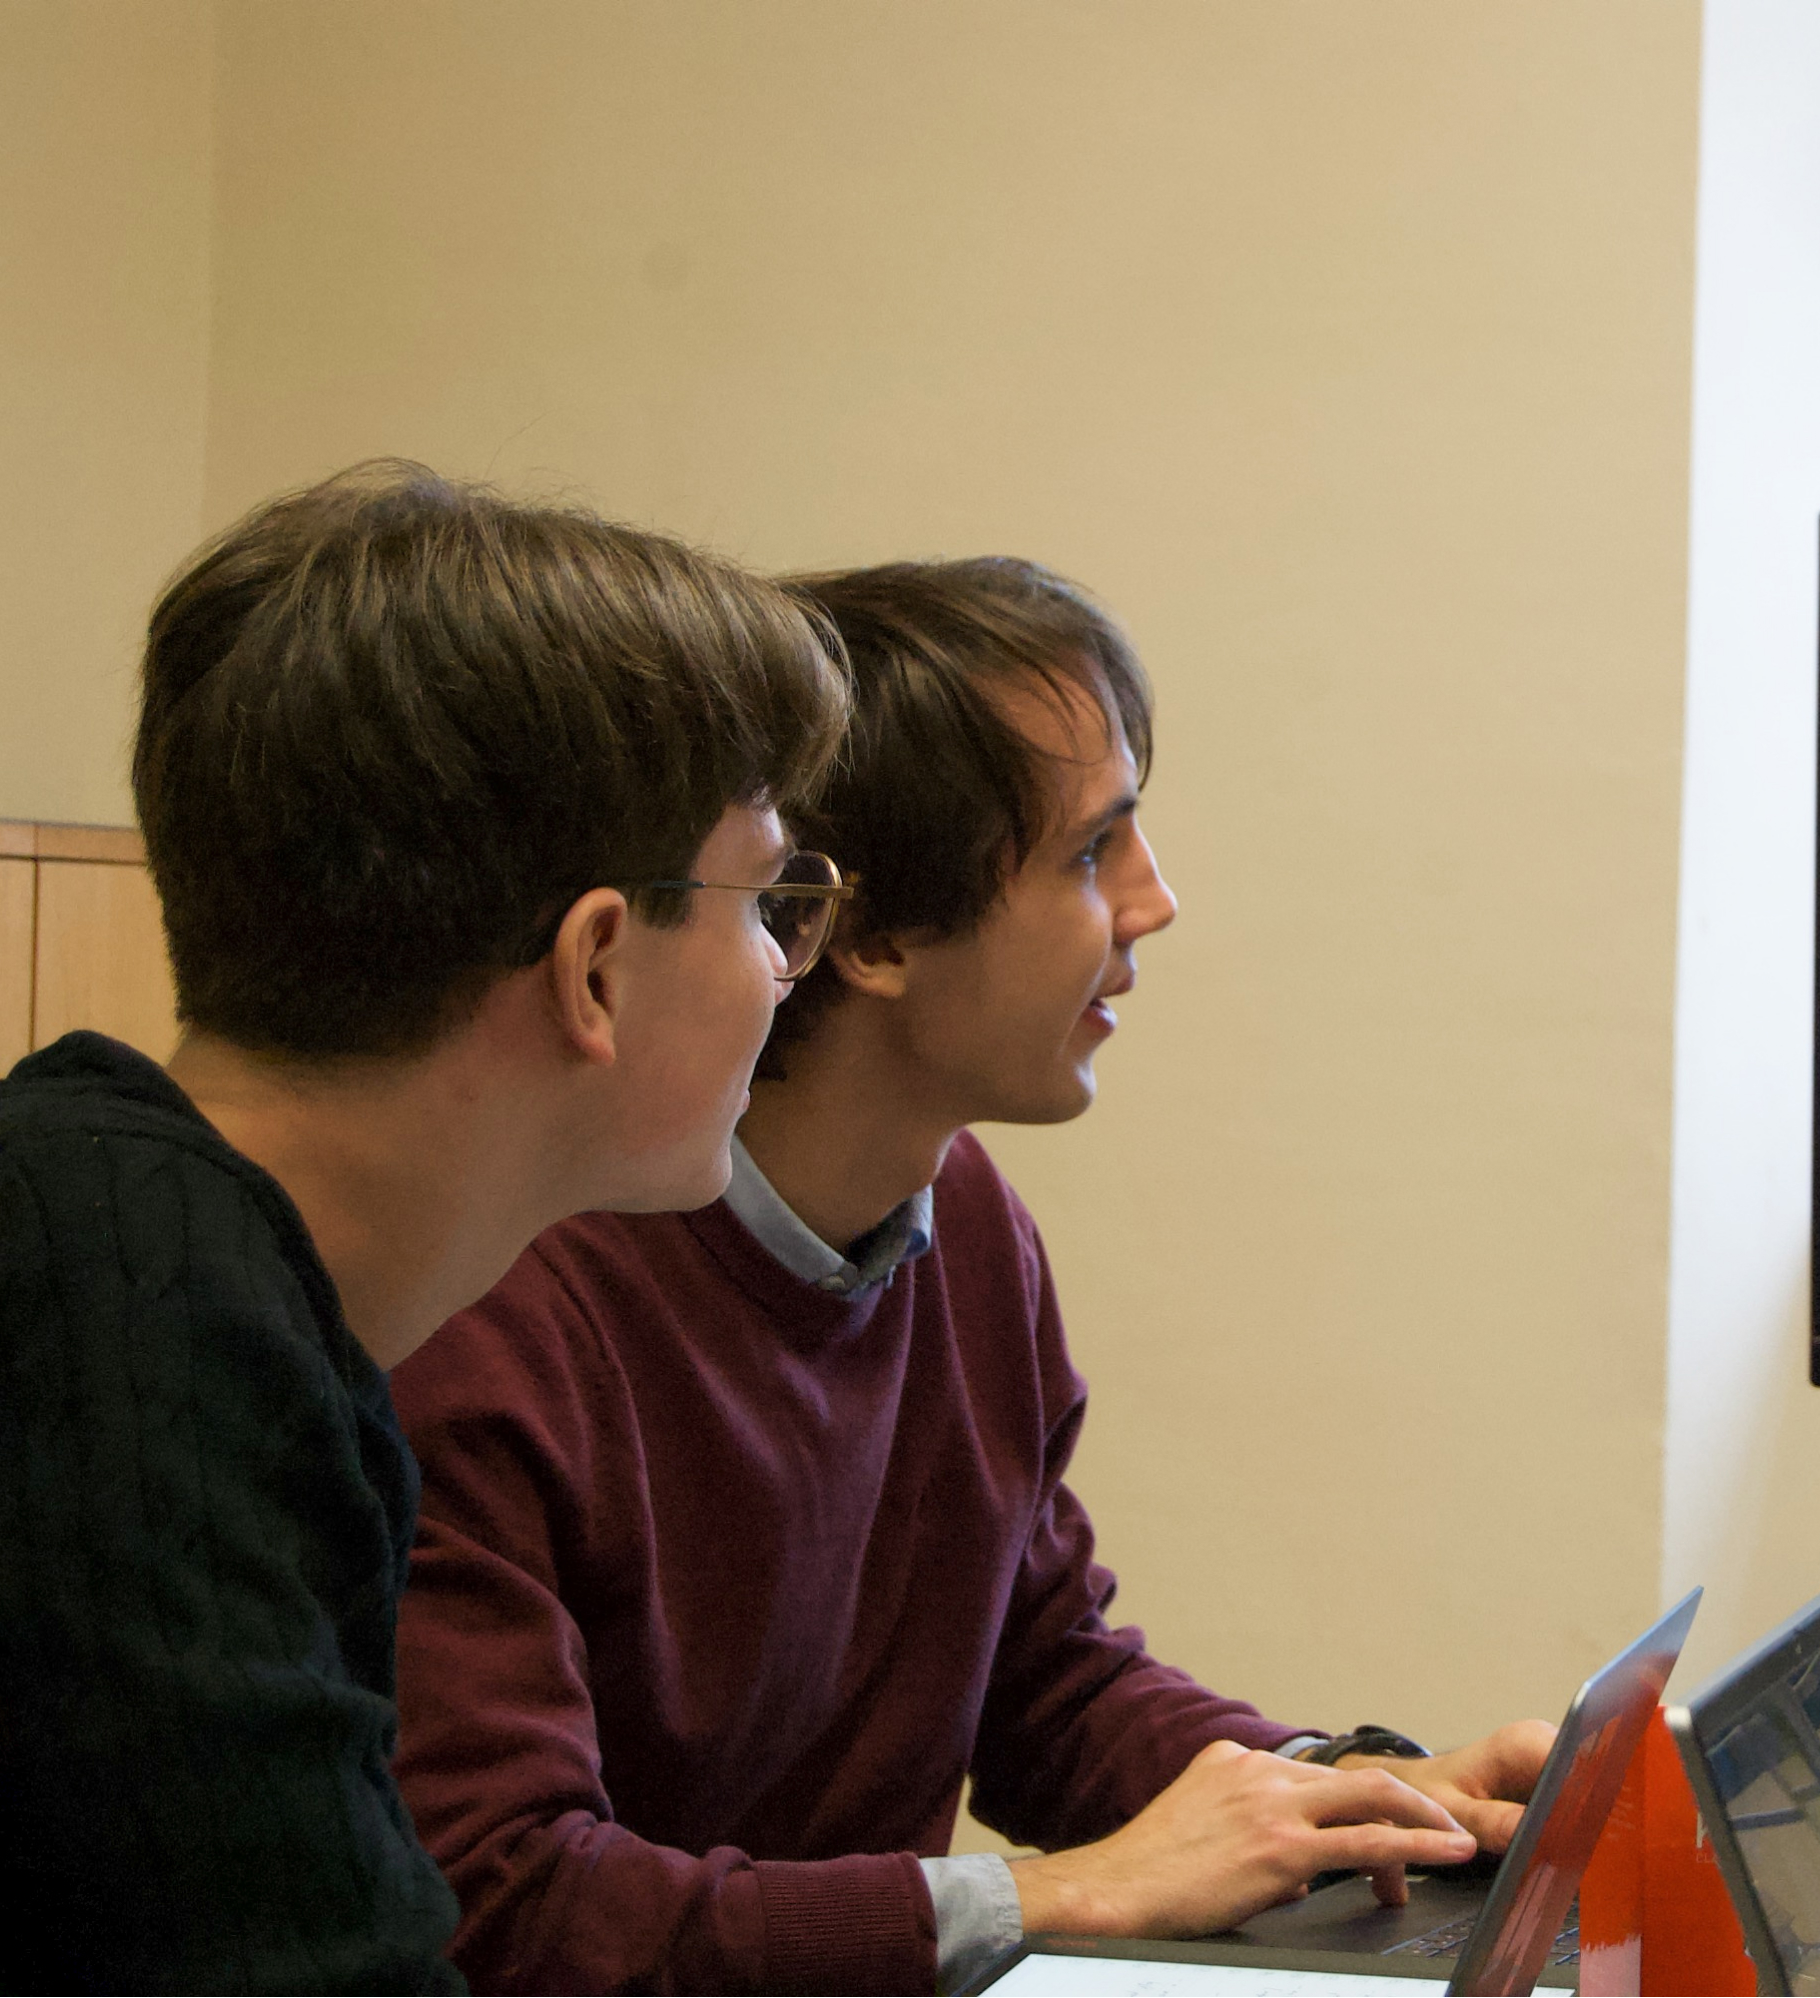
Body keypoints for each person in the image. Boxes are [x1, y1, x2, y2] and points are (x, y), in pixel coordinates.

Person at [388, 556, 1548, 1996]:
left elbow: (1042, 1674)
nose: (1154, 900)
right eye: (1088, 852)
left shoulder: (967, 1219)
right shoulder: (502, 1308)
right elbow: (510, 1909)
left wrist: (1357, 1795)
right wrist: (1049, 1892)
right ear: (862, 934)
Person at [0, 461, 851, 1992]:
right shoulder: (134, 1321)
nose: (786, 968)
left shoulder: (172, 1258)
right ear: (597, 963)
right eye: (765, 899)